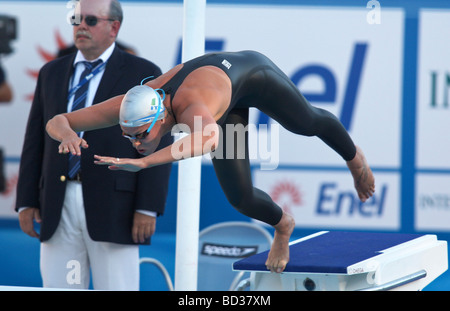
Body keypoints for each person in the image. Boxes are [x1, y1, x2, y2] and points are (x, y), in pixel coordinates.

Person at [46, 50, 376, 274]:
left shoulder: (190, 107)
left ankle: (353, 158)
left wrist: (146, 164)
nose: (134, 144)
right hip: (222, 106)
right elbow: (59, 119)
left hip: (253, 79)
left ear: (160, 118)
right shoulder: (128, 105)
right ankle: (282, 225)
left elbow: (209, 139)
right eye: (128, 136)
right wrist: (68, 135)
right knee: (241, 198)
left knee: (306, 123)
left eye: (140, 136)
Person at [16, 0, 172, 290]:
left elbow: (159, 137)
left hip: (115, 204)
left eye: (90, 20)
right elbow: (34, 139)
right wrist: (26, 199)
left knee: (117, 287)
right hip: (57, 201)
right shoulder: (51, 72)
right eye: (75, 19)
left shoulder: (143, 73)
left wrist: (148, 207)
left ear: (114, 27)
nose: (80, 26)